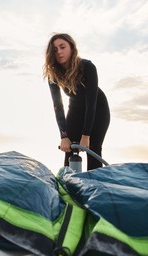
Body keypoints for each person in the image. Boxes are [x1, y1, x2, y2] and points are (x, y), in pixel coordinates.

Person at [43, 33, 110, 170]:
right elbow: (58, 106)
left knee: (93, 148)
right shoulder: (53, 75)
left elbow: (91, 103)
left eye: (62, 47)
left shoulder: (87, 67)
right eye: (55, 50)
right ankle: (69, 186)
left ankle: (95, 185)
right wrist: (63, 136)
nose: (59, 52)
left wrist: (86, 135)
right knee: (70, 148)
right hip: (75, 110)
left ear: (72, 48)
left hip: (98, 109)